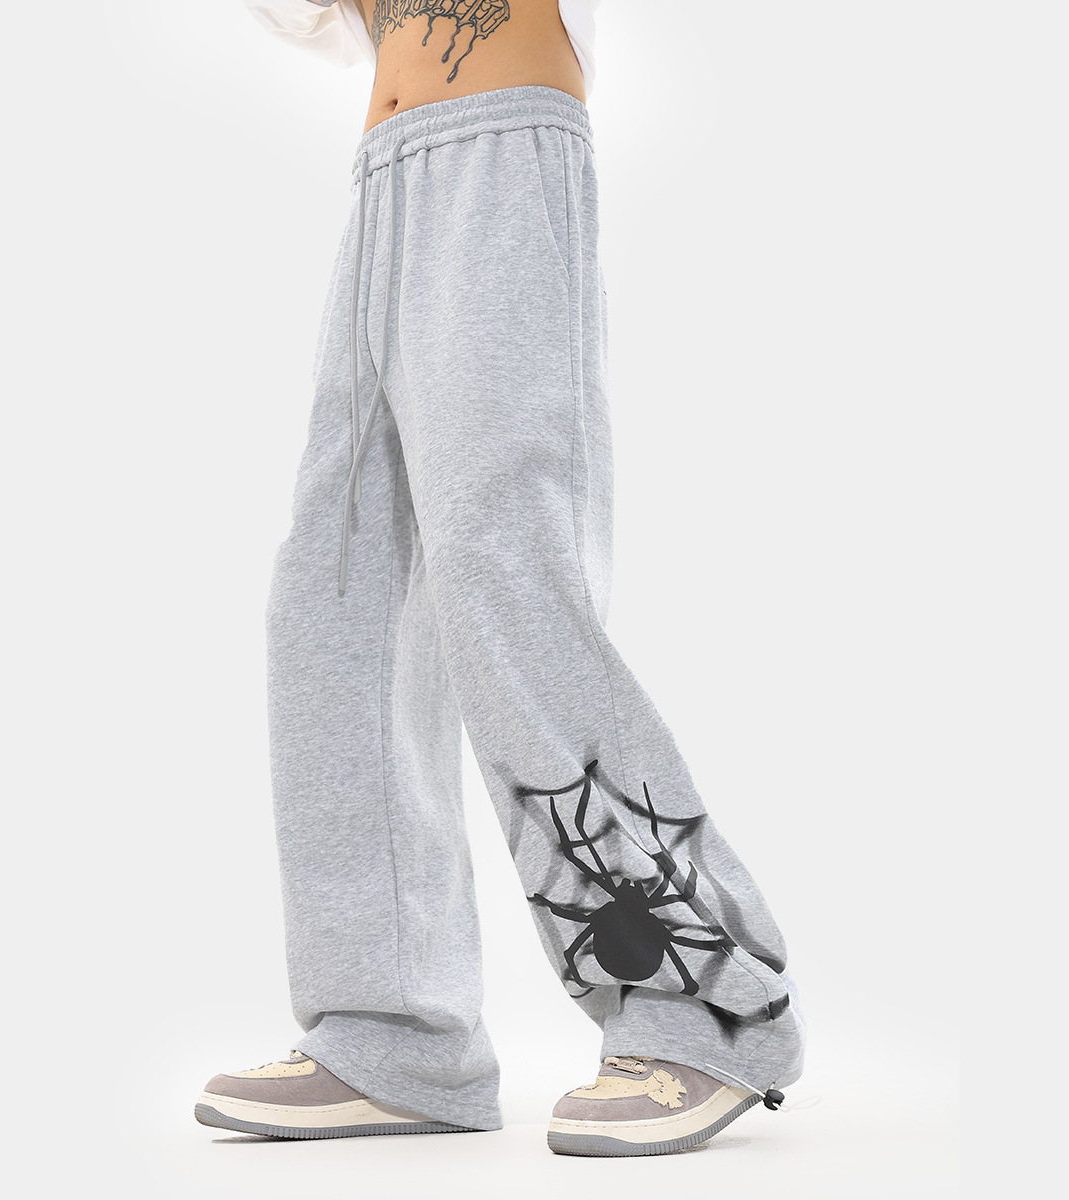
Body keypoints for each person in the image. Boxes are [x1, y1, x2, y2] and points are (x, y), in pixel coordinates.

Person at [195, 0, 807, 1157]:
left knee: (504, 579)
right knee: (331, 603)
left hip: (505, 157)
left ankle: (703, 1011)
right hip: (383, 185)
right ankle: (393, 1036)